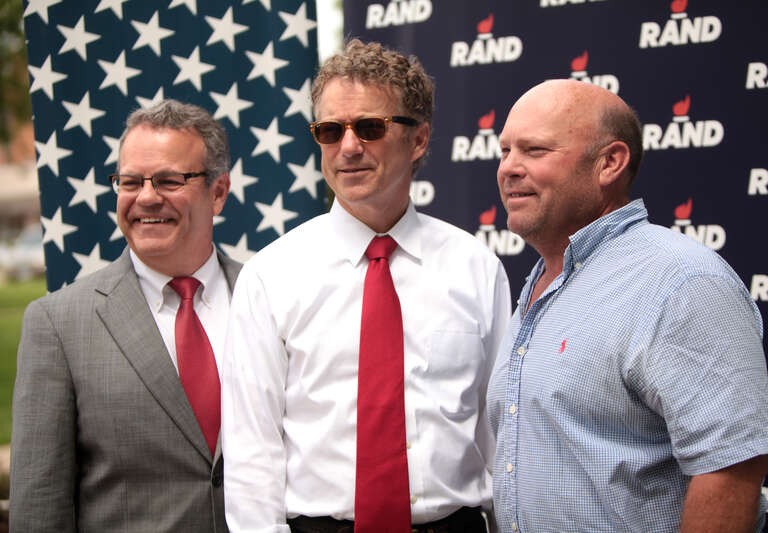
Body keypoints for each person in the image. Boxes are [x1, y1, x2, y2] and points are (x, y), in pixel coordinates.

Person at [221, 39, 511, 533]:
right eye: (330, 131)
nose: (348, 147)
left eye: (371, 128)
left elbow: (503, 433)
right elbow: (252, 454)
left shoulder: (476, 268)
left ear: (418, 139)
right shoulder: (271, 276)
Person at [487, 78, 768, 533]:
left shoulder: (681, 281)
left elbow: (730, 472)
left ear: (610, 163)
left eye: (534, 150)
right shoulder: (540, 284)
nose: (509, 168)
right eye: (505, 151)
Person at [10, 99, 239, 532]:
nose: (147, 197)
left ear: (218, 192)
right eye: (130, 182)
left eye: (170, 180)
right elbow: (39, 503)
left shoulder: (272, 299)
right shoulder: (58, 325)